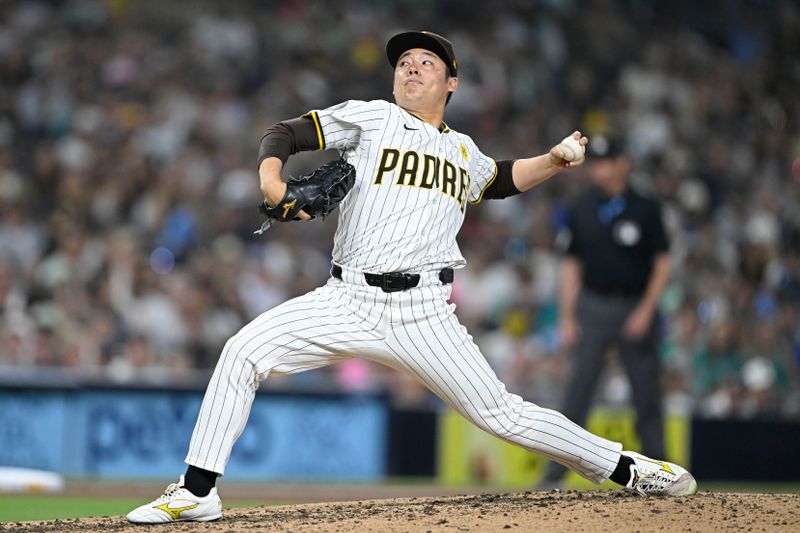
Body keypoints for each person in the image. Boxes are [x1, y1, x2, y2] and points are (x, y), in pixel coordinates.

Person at [127, 31, 696, 524]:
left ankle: (627, 468)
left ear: (452, 82)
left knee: (502, 413)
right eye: (404, 62)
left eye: (426, 62)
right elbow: (285, 134)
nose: (411, 67)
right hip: (346, 297)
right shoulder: (373, 117)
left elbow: (497, 179)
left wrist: (550, 161)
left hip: (424, 312)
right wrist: (272, 182)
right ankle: (198, 492)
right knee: (242, 351)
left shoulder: (462, 149)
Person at [539, 136, 671, 488]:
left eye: (606, 161)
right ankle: (554, 476)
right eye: (595, 162)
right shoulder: (581, 208)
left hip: (634, 304)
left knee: (646, 394)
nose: (599, 169)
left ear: (622, 164)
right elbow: (571, 266)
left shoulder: (645, 208)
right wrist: (567, 316)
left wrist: (646, 309)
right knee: (578, 392)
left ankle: (661, 472)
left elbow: (661, 264)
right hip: (594, 307)